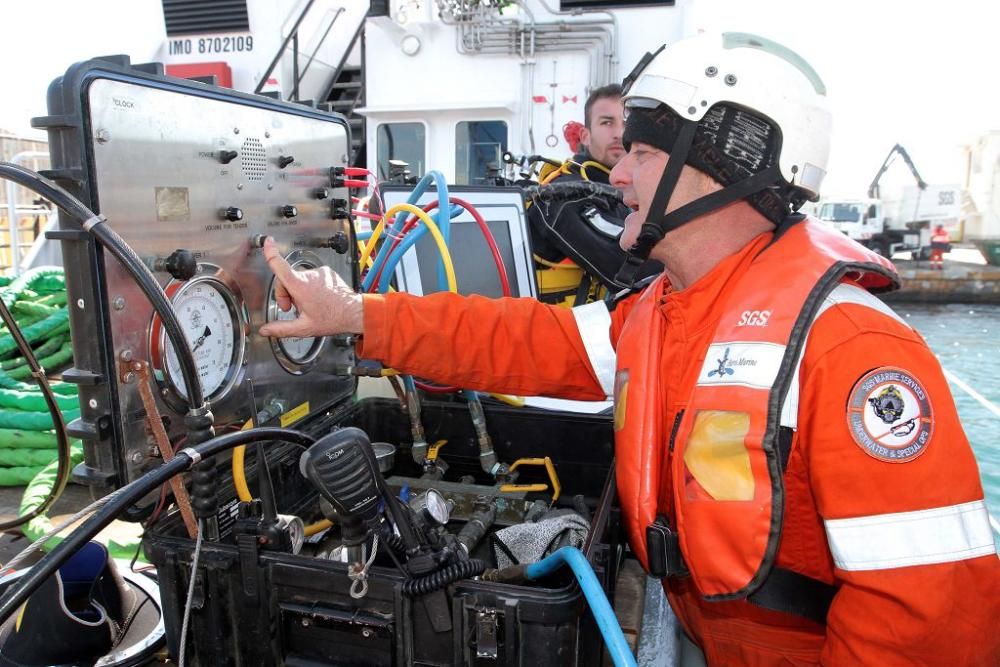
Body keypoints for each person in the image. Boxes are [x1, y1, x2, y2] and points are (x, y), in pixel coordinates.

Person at [260, 32, 1000, 665]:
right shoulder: (660, 311)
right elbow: (517, 340)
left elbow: (929, 618)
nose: (614, 173)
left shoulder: (848, 345)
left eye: (640, 152)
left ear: (724, 161)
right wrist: (358, 313)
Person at [528, 84, 661, 306]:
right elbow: (632, 269)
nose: (619, 134)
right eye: (607, 122)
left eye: (626, 124)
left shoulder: (623, 191)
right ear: (585, 136)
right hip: (564, 333)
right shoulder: (564, 196)